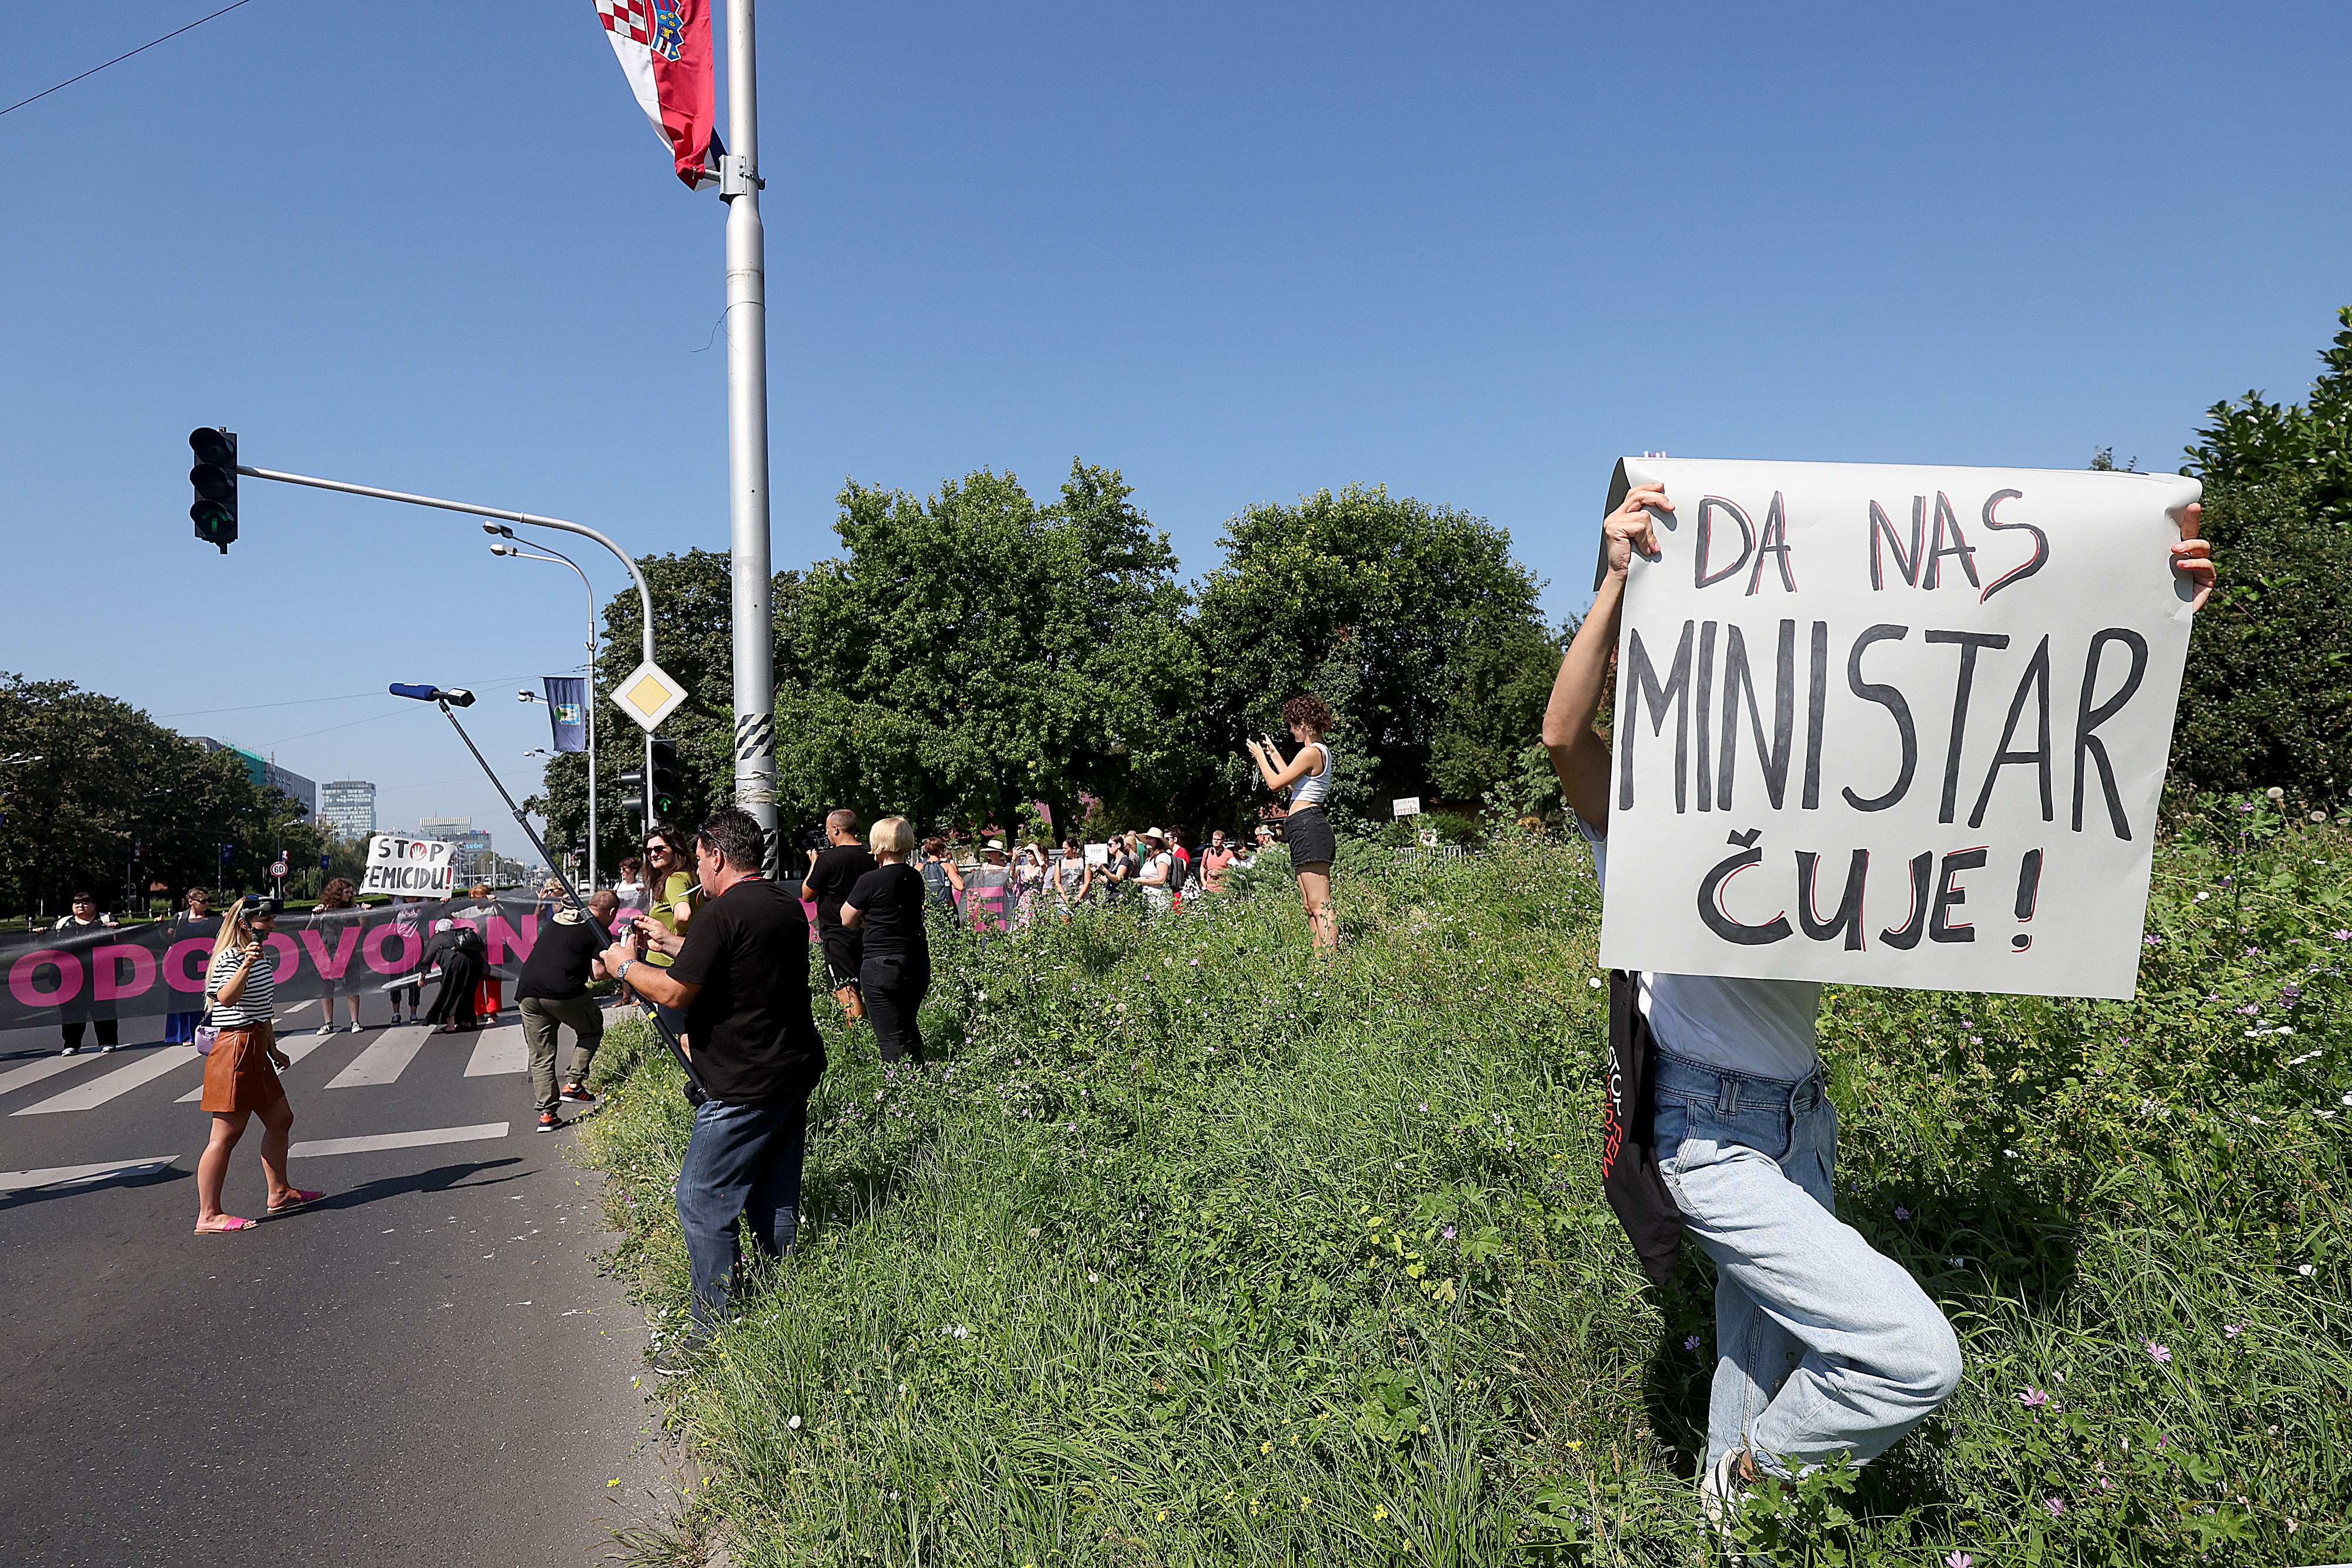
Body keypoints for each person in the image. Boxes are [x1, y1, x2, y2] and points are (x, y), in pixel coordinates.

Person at [1538, 479, 2216, 1526]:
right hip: (1707, 1132)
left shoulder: (1804, 782)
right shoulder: (1630, 814)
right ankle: (1748, 1484)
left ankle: (1731, 1530)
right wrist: (1620, 583)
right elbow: (1561, 733)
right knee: (1909, 1356)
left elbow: (1972, 714)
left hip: (1801, 1121)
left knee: (1756, 1363)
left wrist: (2138, 610)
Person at [602, 809, 827, 1357]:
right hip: (791, 1070)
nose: (696, 867)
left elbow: (676, 994)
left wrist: (624, 966)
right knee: (772, 1196)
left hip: (741, 1085)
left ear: (717, 855)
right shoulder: (783, 904)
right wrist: (671, 942)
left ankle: (716, 1331)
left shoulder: (720, 912)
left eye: (698, 858)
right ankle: (783, 1297)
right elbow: (733, 963)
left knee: (702, 1198)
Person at [194, 896, 320, 1233]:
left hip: (254, 1046)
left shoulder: (260, 957)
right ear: (245, 923)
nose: (273, 925)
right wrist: (245, 965)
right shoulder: (232, 957)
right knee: (225, 1134)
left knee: (281, 1118)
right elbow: (226, 999)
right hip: (234, 1048)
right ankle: (209, 1214)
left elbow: (261, 1009)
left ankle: (279, 1192)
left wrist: (272, 1048)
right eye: (267, 920)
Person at [1244, 695, 1339, 952]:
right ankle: (1318, 961)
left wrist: (1259, 757)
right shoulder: (1311, 753)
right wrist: (1273, 754)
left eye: (1293, 724)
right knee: (1310, 905)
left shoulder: (1312, 752)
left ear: (1305, 723)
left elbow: (1275, 784)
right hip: (1301, 826)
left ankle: (1331, 966)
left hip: (1310, 826)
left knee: (1321, 905)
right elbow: (1289, 782)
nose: (1290, 730)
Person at [517, 890, 617, 1132]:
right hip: (563, 990)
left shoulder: (560, 917)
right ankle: (574, 1083)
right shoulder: (597, 928)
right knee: (592, 1027)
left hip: (527, 991)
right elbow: (597, 973)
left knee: (540, 1055)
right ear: (612, 913)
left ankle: (547, 1116)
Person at [841, 816, 931, 1064]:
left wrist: (863, 920)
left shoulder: (870, 880)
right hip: (916, 961)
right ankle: (925, 1080)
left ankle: (899, 1094)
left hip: (882, 963)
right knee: (909, 1026)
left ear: (878, 843)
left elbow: (846, 918)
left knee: (890, 1038)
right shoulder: (914, 877)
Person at [804, 809, 878, 1022]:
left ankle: (857, 1043)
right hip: (867, 929)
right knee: (868, 986)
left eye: (827, 829)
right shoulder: (872, 855)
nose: (826, 834)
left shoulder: (827, 860)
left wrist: (814, 864)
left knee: (846, 989)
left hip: (837, 934)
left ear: (836, 829)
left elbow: (807, 894)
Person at [640, 824, 703, 1043]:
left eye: (659, 849)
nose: (653, 855)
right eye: (648, 851)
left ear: (675, 848)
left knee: (682, 1033)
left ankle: (695, 1078)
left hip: (669, 963)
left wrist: (673, 936)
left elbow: (683, 914)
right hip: (682, 958)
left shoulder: (674, 879)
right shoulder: (688, 875)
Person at [53, 892, 121, 1055]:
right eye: (76, 903)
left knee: (104, 1009)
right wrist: (39, 934)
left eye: (85, 902)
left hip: (102, 975)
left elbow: (125, 942)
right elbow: (50, 945)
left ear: (94, 905)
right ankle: (71, 1044)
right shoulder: (64, 924)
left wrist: (117, 931)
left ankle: (108, 1041)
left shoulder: (106, 921)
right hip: (70, 977)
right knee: (71, 1011)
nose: (80, 905)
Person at [301, 878, 367, 1035]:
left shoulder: (354, 908)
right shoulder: (324, 909)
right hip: (327, 950)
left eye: (352, 892)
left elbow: (363, 928)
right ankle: (328, 1023)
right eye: (347, 892)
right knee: (326, 989)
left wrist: (365, 914)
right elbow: (309, 931)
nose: (350, 895)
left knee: (351, 986)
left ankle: (355, 1021)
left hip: (347, 949)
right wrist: (315, 915)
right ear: (338, 893)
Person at [162, 887, 216, 1046]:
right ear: (191, 902)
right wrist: (159, 927)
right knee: (184, 1000)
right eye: (203, 901)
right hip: (183, 967)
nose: (207, 904)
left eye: (208, 900)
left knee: (208, 998)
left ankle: (210, 1031)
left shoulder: (215, 917)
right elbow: (168, 939)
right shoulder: (179, 918)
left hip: (206, 965)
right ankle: (186, 1034)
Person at [419, 918, 487, 1032]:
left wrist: (422, 977)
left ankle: (450, 1025)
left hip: (456, 963)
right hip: (476, 962)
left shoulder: (438, 937)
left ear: (438, 930)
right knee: (467, 991)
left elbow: (428, 958)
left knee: (450, 992)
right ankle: (467, 1022)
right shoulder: (457, 934)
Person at [466, 883, 506, 1021]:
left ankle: (493, 1011)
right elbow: (452, 917)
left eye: (478, 897)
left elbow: (503, 916)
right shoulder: (469, 911)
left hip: (494, 947)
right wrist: (444, 906)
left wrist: (494, 902)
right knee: (475, 982)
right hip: (476, 950)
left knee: (493, 980)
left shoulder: (494, 908)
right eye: (473, 898)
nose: (475, 901)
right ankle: (478, 1011)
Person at [966, 840, 1013, 931]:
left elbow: (1011, 883)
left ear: (998, 852)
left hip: (1003, 899)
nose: (987, 854)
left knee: (1003, 924)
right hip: (987, 899)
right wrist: (974, 874)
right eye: (986, 852)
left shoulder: (1008, 866)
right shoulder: (985, 866)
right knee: (988, 925)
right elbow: (980, 883)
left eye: (990, 851)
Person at [1136, 829, 1177, 917]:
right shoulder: (1150, 857)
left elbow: (1161, 880)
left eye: (1151, 838)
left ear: (1158, 841)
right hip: (1149, 899)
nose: (1148, 841)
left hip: (1160, 899)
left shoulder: (1162, 857)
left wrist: (1142, 881)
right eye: (1146, 838)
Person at [918, 837, 965, 914]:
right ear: (940, 850)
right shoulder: (946, 866)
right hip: (947, 908)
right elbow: (960, 887)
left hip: (926, 909)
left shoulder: (919, 867)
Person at [1053, 839, 1092, 915]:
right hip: (1063, 901)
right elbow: (1057, 881)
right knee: (1064, 925)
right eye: (1063, 848)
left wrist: (1078, 897)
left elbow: (1087, 881)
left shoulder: (1084, 862)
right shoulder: (1060, 863)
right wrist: (1065, 897)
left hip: (1082, 899)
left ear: (1074, 849)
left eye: (1066, 848)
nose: (1063, 850)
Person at [1198, 830, 1238, 895]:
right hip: (1209, 889)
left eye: (1218, 840)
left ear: (1223, 841)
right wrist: (1203, 882)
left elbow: (1233, 871)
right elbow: (1202, 867)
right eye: (1214, 839)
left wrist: (1220, 873)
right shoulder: (1207, 852)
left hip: (1223, 890)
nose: (1216, 841)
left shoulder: (1229, 854)